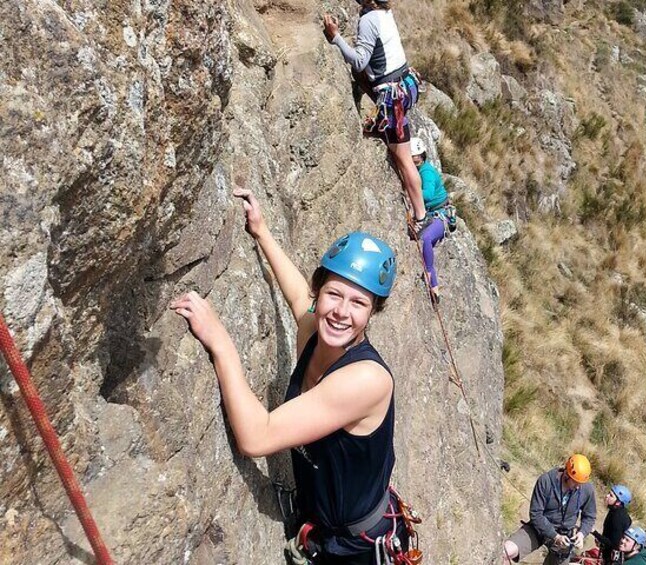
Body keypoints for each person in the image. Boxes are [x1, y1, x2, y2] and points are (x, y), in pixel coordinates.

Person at [171, 189, 412, 564]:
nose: (341, 313)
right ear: (320, 291)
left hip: (356, 548)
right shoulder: (314, 331)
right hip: (325, 525)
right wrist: (262, 231)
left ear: (373, 312)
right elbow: (299, 297)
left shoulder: (367, 379)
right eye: (334, 294)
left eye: (358, 303)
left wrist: (221, 343)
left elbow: (256, 437)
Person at [322, 0, 427, 234]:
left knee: (403, 159)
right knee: (401, 151)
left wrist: (335, 37)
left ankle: (421, 215)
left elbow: (360, 61)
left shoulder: (369, 20)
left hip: (392, 96)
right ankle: (383, 128)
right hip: (404, 85)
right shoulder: (384, 13)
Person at [503, 454, 597, 565]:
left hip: (565, 538)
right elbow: (536, 514)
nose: (578, 487)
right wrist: (555, 536)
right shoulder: (546, 481)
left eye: (580, 484)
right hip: (539, 530)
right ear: (567, 474)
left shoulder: (586, 489)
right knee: (506, 551)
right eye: (575, 482)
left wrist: (582, 533)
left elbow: (589, 516)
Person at [410, 137, 452, 304]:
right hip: (433, 214)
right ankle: (434, 287)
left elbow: (427, 195)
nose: (416, 160)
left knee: (426, 239)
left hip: (441, 215)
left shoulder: (426, 172)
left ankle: (428, 275)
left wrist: (410, 189)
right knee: (424, 241)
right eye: (414, 158)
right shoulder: (421, 169)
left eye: (417, 158)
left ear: (422, 156)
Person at [595, 485, 632, 564]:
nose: (607, 496)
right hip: (609, 556)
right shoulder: (615, 511)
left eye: (611, 495)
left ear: (618, 502)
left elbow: (613, 544)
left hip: (612, 560)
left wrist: (595, 533)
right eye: (608, 493)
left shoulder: (618, 517)